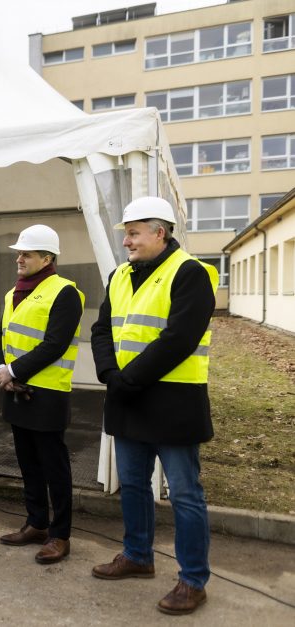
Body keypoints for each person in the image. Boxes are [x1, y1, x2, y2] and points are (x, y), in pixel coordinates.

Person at [90, 197, 217, 615]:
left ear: (159, 232)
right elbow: (102, 329)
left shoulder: (190, 273)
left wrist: (128, 380)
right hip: (128, 398)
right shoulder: (120, 276)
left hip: (172, 402)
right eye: (126, 233)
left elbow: (179, 338)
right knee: (132, 485)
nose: (126, 241)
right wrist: (109, 374)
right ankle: (137, 556)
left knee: (184, 493)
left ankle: (193, 579)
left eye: (133, 233)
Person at [0, 225, 84, 564]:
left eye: (26, 253)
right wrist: (1, 371)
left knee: (54, 467)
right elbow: (3, 335)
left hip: (47, 393)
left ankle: (60, 535)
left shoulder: (66, 293)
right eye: (19, 253)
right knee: (28, 463)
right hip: (16, 390)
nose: (18, 258)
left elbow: (55, 344)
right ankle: (37, 524)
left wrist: (14, 371)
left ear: (47, 258)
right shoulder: (13, 292)